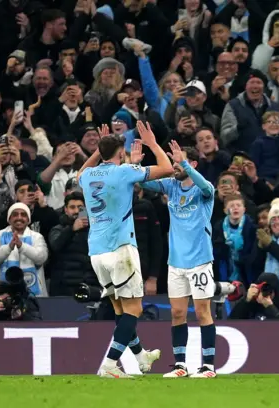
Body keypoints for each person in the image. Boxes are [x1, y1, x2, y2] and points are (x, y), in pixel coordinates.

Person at [77, 121, 174, 378]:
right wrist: (152, 144)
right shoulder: (124, 172)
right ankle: (109, 364)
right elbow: (167, 168)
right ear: (120, 154)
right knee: (134, 309)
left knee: (120, 309)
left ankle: (142, 357)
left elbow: (80, 172)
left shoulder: (87, 176)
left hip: (96, 252)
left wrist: (100, 149)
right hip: (121, 248)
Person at [139, 141, 234, 379]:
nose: (174, 167)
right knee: (177, 313)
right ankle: (180, 366)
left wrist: (183, 164)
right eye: (173, 163)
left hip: (200, 261)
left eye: (179, 163)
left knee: (203, 313)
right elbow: (142, 182)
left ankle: (209, 367)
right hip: (175, 263)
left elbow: (205, 186)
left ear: (191, 163)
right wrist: (135, 164)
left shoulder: (205, 190)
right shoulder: (171, 186)